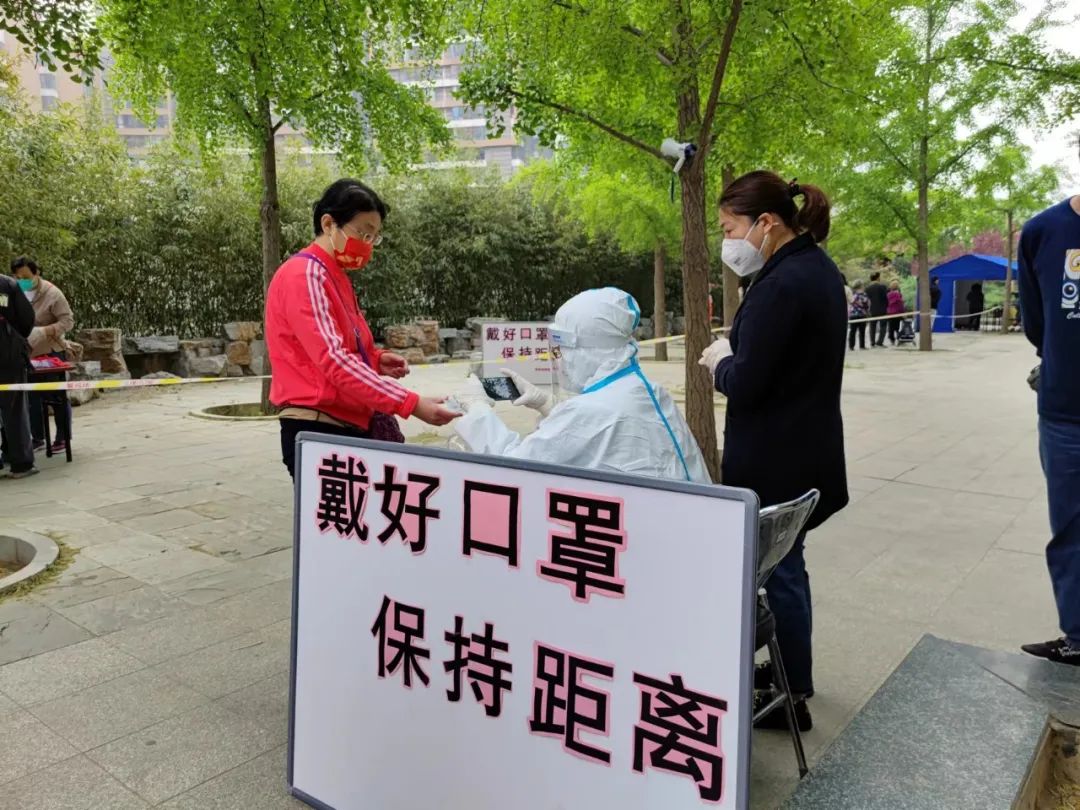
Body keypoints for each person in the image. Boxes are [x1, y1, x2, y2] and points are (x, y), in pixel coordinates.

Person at [701, 171, 849, 731]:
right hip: (806, 447)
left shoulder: (781, 284)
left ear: (766, 222)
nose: (726, 240)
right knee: (788, 567)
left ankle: (791, 697)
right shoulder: (816, 268)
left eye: (729, 228)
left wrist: (722, 363)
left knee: (779, 572)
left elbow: (748, 383)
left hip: (776, 456)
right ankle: (792, 675)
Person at [265, 179, 459, 479]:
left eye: (373, 237)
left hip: (342, 424)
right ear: (328, 224)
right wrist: (411, 403)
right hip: (320, 425)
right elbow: (334, 360)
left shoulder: (334, 276)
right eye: (363, 233)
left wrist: (375, 359)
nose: (367, 244)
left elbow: (339, 348)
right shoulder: (306, 275)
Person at [451, 287, 710, 484]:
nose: (558, 357)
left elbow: (513, 466)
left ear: (588, 350)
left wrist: (477, 409)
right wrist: (548, 405)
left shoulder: (589, 412)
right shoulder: (647, 390)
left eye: (562, 347)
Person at [1017, 195, 1080, 667]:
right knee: (1071, 530)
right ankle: (1078, 636)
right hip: (1065, 412)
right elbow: (1038, 323)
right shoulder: (1043, 231)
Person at [11, 257, 74, 453]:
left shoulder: (53, 294)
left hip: (51, 352)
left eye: (25, 277)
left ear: (36, 273)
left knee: (56, 396)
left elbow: (68, 321)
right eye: (17, 277)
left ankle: (62, 437)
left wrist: (45, 331)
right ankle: (37, 437)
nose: (22, 281)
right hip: (27, 353)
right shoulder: (14, 292)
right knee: (31, 398)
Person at [0, 273, 37, 478]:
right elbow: (27, 319)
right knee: (15, 408)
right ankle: (21, 463)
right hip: (8, 353)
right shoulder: (7, 284)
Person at [865, 271, 888, 347]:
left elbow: (866, 300)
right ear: (878, 278)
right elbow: (886, 298)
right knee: (883, 326)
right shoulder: (883, 287)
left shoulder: (867, 288)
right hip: (882, 309)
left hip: (872, 309)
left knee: (872, 326)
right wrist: (886, 306)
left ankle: (872, 342)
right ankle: (880, 342)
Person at [848, 280, 870, 350]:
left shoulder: (853, 294)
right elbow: (866, 304)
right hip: (861, 314)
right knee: (862, 331)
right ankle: (862, 345)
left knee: (852, 331)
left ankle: (851, 346)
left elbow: (851, 302)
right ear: (861, 286)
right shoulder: (864, 295)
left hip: (853, 314)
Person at [886, 280, 905, 345]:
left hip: (889, 312)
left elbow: (886, 303)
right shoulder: (898, 294)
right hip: (897, 312)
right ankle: (899, 338)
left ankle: (892, 339)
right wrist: (903, 312)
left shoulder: (888, 294)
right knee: (898, 327)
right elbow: (900, 304)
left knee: (891, 326)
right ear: (897, 287)